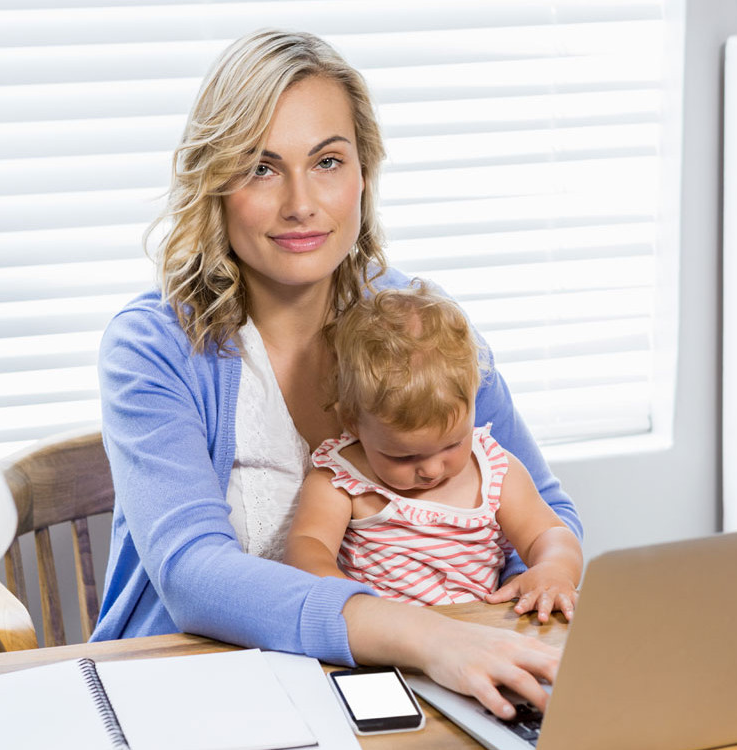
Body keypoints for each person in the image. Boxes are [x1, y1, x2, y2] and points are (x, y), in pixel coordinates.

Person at [91, 28, 583, 720]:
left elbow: (548, 517)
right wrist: (425, 635)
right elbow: (192, 575)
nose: (301, 203)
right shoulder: (153, 346)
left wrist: (503, 611)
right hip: (199, 693)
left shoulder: (423, 328)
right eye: (261, 168)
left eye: (327, 161)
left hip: (416, 691)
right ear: (215, 183)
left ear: (363, 173)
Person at [284, 284, 583, 622]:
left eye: (453, 444)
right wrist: (351, 603)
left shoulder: (495, 471)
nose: (431, 469)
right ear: (353, 423)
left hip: (482, 635)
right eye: (404, 457)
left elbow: (549, 533)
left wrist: (554, 568)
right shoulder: (341, 480)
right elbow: (307, 548)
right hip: (385, 638)